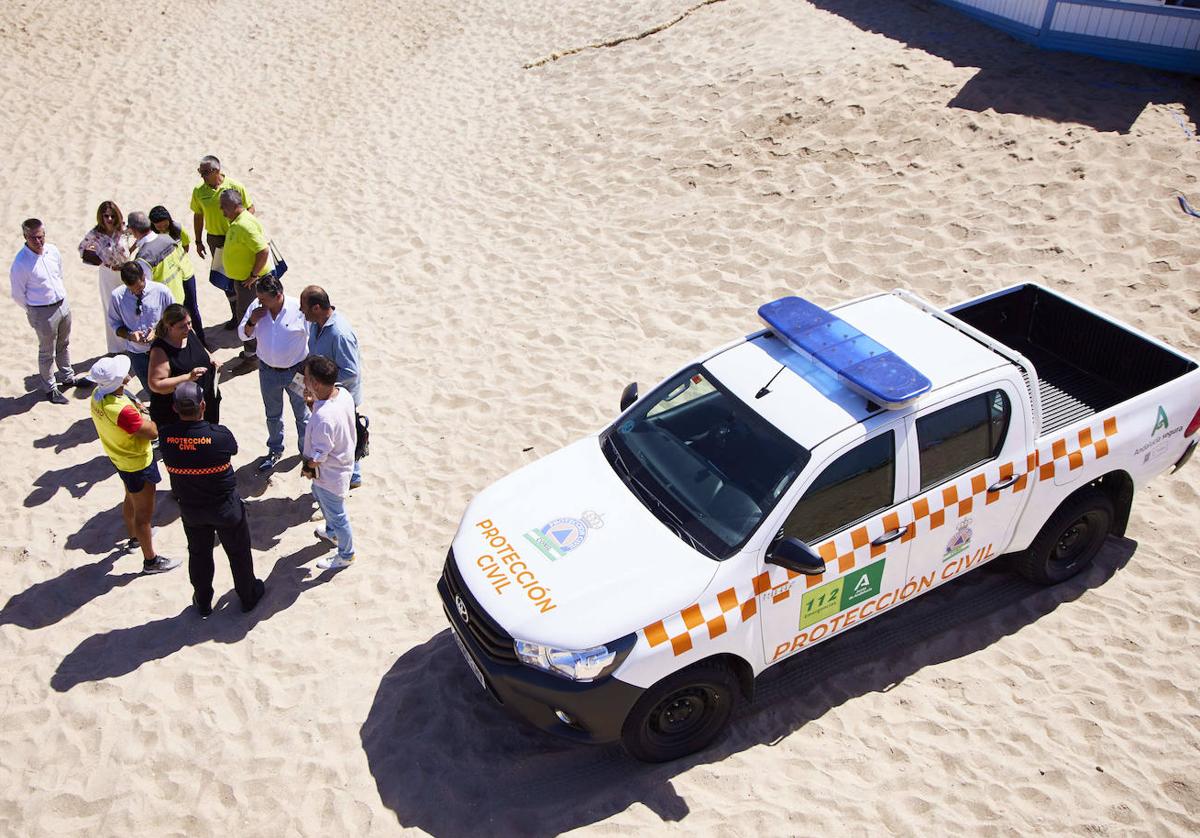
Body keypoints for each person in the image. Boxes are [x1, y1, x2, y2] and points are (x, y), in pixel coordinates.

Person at [159, 382, 265, 616]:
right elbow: (232, 448)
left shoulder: (166, 436)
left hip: (191, 508)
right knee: (238, 552)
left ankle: (203, 600)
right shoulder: (219, 436)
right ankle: (248, 596)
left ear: (175, 408)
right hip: (224, 506)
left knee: (199, 554)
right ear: (203, 405)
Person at [87, 354, 178, 574]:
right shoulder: (123, 412)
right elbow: (152, 432)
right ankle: (151, 561)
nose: (128, 374)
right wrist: (145, 415)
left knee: (130, 497)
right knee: (144, 515)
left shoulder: (97, 395)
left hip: (120, 458)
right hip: (137, 462)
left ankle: (134, 539)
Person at [237, 275, 309, 473]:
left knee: (302, 415)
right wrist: (252, 320)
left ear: (278, 295)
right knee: (273, 415)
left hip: (297, 372)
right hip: (268, 372)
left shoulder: (298, 309)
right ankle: (275, 449)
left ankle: (306, 452)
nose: (259, 302)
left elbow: (313, 337)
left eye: (263, 299)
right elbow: (243, 334)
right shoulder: (256, 308)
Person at [301, 285, 365, 489]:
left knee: (347, 437)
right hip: (324, 392)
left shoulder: (339, 334)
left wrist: (324, 384)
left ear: (317, 308)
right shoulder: (315, 324)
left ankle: (353, 475)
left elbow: (351, 371)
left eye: (304, 307)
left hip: (342, 396)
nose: (301, 311)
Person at [10, 219, 75, 404]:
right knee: (47, 352)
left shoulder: (52, 251)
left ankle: (68, 377)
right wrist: (34, 311)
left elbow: (59, 274)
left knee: (64, 343)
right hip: (42, 312)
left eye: (40, 237)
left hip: (62, 304)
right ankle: (50, 388)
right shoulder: (21, 263)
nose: (38, 242)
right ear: (25, 237)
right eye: (33, 238)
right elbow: (17, 294)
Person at [302, 355, 357, 570]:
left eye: (306, 378)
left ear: (315, 383)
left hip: (330, 475)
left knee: (337, 514)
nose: (303, 381)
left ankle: (346, 554)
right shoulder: (342, 393)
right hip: (342, 464)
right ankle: (332, 534)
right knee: (327, 506)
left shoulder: (323, 417)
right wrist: (312, 404)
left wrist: (308, 467)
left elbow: (320, 455)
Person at [189, 155, 253, 328]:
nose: (202, 176)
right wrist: (198, 240)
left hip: (237, 237)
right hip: (216, 239)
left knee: (243, 277)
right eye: (200, 172)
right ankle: (235, 315)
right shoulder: (199, 191)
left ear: (217, 170)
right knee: (225, 278)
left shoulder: (235, 186)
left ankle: (248, 315)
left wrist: (244, 229)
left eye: (205, 172)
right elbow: (198, 215)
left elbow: (250, 208)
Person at [147, 304, 218, 429]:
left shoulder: (188, 332)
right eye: (182, 326)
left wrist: (210, 357)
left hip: (205, 400)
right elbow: (156, 385)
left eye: (189, 323)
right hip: (180, 412)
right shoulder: (160, 350)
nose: (188, 328)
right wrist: (188, 377)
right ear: (169, 326)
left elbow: (199, 347)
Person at [108, 260, 174, 392]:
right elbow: (115, 324)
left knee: (169, 387)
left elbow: (174, 318)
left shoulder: (162, 291)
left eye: (139, 288)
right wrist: (129, 335)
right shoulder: (117, 297)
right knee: (150, 389)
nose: (136, 292)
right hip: (137, 354)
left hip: (163, 350)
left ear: (144, 277)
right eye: (132, 290)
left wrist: (156, 332)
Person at [221, 189, 270, 363]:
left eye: (223, 207)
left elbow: (263, 250)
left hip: (249, 283)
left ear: (234, 206)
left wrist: (253, 276)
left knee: (247, 316)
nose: (222, 211)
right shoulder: (239, 221)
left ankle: (252, 356)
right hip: (244, 280)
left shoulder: (244, 225)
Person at [78, 201, 129, 355]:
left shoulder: (123, 229)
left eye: (112, 216)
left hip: (127, 271)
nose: (109, 219)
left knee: (129, 306)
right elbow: (81, 248)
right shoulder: (95, 233)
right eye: (106, 216)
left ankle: (132, 343)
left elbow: (140, 235)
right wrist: (98, 260)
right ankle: (117, 348)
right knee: (111, 308)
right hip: (108, 273)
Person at [149, 206, 205, 345]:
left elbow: (186, 245)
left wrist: (180, 259)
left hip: (186, 273)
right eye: (158, 225)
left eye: (164, 223)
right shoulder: (152, 237)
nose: (162, 227)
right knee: (177, 312)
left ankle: (202, 340)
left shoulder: (177, 228)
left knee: (192, 308)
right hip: (171, 279)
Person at [127, 211, 185, 304]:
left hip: (163, 305)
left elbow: (145, 290)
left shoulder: (143, 258)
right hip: (179, 297)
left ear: (133, 230)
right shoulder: (168, 239)